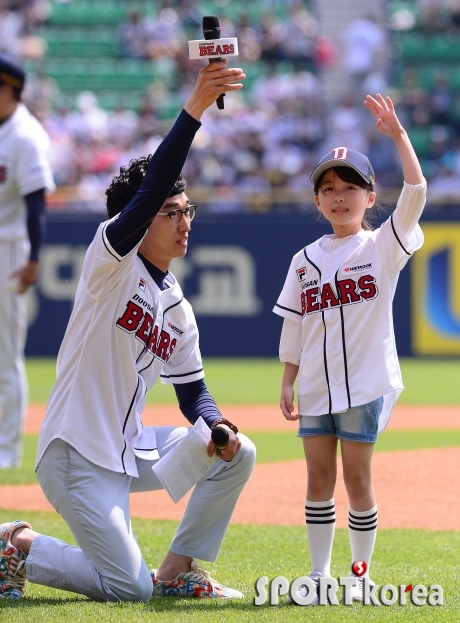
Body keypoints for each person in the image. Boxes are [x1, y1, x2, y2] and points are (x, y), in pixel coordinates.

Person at [0, 61, 256, 601]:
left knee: (240, 452)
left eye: (188, 211)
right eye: (170, 212)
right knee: (127, 591)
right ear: (141, 221)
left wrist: (213, 424)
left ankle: (179, 570)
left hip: (128, 449)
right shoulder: (108, 265)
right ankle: (16, 543)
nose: (185, 221)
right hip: (74, 456)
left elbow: (193, 394)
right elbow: (152, 186)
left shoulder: (178, 308)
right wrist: (194, 109)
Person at [273, 93, 426, 604]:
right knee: (318, 478)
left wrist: (399, 137)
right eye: (329, 189)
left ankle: (359, 576)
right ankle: (319, 576)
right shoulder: (303, 260)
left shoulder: (381, 247)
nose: (339, 197)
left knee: (357, 481)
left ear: (369, 195)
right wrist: (288, 378)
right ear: (316, 200)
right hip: (315, 386)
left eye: (350, 188)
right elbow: (294, 324)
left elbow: (417, 191)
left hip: (363, 384)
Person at [0, 53, 54, 468]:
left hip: (10, 249)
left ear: (9, 89)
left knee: (4, 357)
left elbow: (37, 204)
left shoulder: (25, 135)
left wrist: (35, 258)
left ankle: (6, 452)